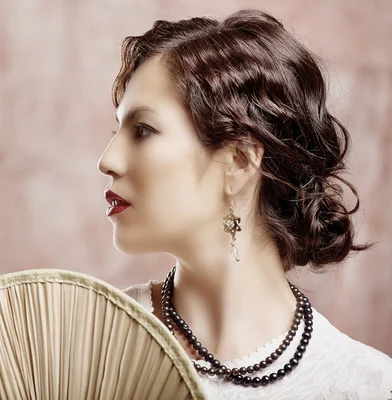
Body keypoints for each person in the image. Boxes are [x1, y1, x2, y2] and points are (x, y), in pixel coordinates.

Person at [97, 8, 392, 399]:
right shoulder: (87, 342)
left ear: (240, 160)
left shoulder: (368, 385)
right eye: (119, 129)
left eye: (143, 130)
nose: (107, 160)